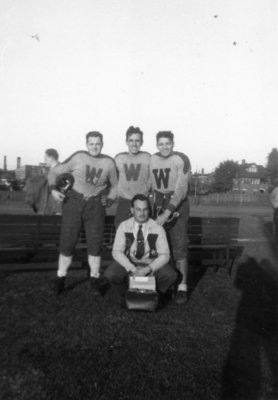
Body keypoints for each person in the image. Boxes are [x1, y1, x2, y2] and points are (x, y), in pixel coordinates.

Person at [48, 131, 118, 295]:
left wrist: (109, 199)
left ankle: (94, 278)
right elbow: (54, 172)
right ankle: (60, 277)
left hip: (95, 205)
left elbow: (115, 185)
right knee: (68, 241)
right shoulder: (78, 157)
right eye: (91, 143)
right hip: (73, 202)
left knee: (95, 243)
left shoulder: (108, 162)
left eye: (98, 143)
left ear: (102, 143)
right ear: (87, 144)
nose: (95, 146)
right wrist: (53, 190)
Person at [104, 194, 177, 304]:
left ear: (149, 210)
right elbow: (116, 252)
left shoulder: (158, 227)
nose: (142, 213)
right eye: (138, 209)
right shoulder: (124, 226)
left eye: (145, 209)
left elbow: (165, 255)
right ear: (132, 210)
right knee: (110, 273)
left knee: (171, 275)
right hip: (130, 262)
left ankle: (156, 295)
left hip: (150, 263)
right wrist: (132, 269)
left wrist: (147, 270)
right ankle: (126, 295)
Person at [150, 131, 191, 304]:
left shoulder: (180, 159)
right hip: (158, 201)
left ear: (173, 143)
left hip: (177, 204)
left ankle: (182, 286)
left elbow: (181, 190)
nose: (164, 147)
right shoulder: (152, 159)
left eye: (167, 143)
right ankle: (165, 283)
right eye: (161, 144)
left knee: (179, 245)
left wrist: (166, 213)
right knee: (159, 246)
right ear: (157, 145)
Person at [114, 126, 151, 229]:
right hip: (124, 202)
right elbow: (113, 179)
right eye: (131, 140)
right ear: (126, 142)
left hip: (142, 202)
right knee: (121, 233)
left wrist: (148, 189)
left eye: (137, 140)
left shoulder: (147, 157)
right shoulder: (119, 158)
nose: (134, 144)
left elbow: (152, 179)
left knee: (144, 233)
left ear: (142, 142)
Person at [25, 148, 61, 215]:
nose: (44, 160)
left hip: (54, 211)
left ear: (51, 157)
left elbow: (60, 194)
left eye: (45, 157)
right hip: (46, 209)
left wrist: (58, 211)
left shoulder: (60, 172)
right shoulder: (50, 172)